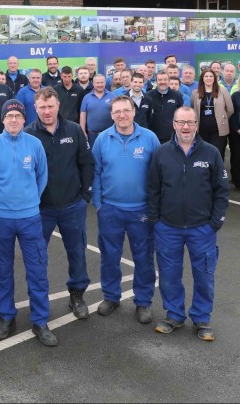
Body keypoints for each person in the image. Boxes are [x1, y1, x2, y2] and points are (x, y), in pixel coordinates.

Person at [0, 100, 56, 347]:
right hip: (0, 219)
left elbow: (42, 176)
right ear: (3, 119)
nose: (13, 120)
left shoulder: (34, 144)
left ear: (24, 119)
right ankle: (6, 317)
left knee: (37, 269)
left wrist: (30, 200)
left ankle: (40, 321)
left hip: (30, 218)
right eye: (9, 116)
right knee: (2, 270)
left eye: (18, 116)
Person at [147, 107, 229, 342]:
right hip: (168, 227)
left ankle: (202, 318)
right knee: (169, 275)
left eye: (190, 122)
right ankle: (174, 315)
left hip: (202, 228)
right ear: (174, 124)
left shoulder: (211, 153)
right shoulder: (161, 153)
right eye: (181, 122)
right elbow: (152, 189)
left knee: (204, 275)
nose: (185, 127)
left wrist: (215, 222)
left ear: (196, 125)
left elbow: (221, 191)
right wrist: (155, 220)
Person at [25, 87, 94, 321]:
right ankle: (38, 302)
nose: (47, 111)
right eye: (42, 107)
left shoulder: (74, 130)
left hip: (72, 206)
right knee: (37, 258)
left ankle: (77, 295)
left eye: (50, 106)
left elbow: (86, 163)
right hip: (40, 209)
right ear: (35, 108)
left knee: (77, 252)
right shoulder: (28, 135)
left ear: (58, 106)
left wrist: (85, 195)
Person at [92, 96, 160, 324]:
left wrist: (154, 206)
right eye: (117, 111)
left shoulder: (149, 138)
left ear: (134, 111)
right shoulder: (102, 139)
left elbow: (158, 175)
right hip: (110, 209)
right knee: (109, 256)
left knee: (144, 257)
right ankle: (111, 296)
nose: (122, 115)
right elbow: (96, 172)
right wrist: (99, 204)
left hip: (141, 211)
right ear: (112, 115)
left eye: (126, 110)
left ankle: (143, 301)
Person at [191, 69, 234, 161]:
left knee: (218, 154)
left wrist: (222, 119)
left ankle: (218, 170)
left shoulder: (222, 91)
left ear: (215, 78)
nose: (208, 78)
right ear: (202, 78)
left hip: (218, 130)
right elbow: (192, 109)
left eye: (211, 76)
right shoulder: (195, 92)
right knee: (203, 154)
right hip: (201, 130)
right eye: (206, 76)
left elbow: (230, 109)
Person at [146, 70, 184, 143]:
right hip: (152, 137)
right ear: (156, 82)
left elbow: (180, 117)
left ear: (169, 81)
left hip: (172, 138)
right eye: (160, 80)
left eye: (165, 79)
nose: (162, 82)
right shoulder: (148, 96)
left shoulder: (177, 96)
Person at [79, 73, 113, 147]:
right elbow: (83, 116)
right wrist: (83, 132)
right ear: (93, 84)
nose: (100, 85)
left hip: (109, 134)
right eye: (97, 83)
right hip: (92, 136)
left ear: (105, 83)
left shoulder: (112, 96)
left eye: (102, 82)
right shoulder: (86, 97)